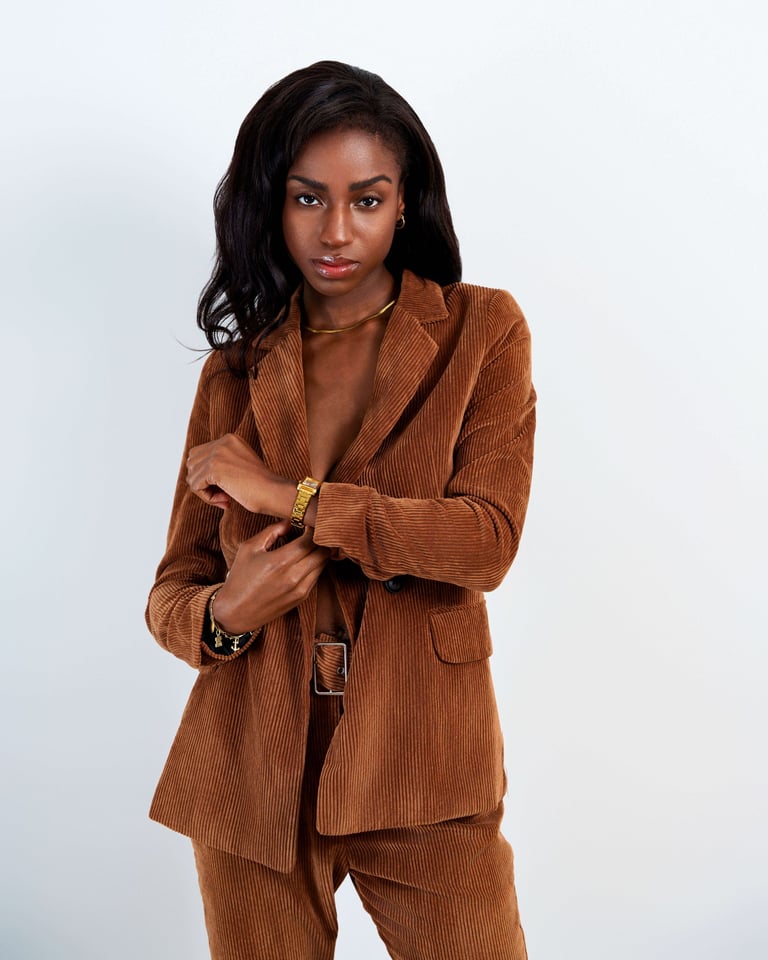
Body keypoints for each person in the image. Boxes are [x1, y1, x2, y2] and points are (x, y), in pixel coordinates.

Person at [146, 60, 535, 960]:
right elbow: (173, 590)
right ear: (271, 205)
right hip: (250, 767)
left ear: (404, 204)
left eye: (366, 199)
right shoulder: (236, 371)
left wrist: (289, 498)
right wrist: (226, 614)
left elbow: (484, 541)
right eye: (307, 198)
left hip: (423, 761)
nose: (335, 230)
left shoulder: (481, 332)